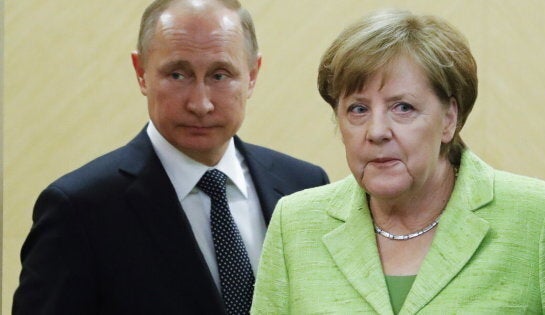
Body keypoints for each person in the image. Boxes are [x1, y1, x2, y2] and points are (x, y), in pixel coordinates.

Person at [251, 9, 545, 314]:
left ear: (449, 118)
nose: (376, 131)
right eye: (358, 109)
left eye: (402, 107)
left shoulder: (538, 218)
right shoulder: (296, 224)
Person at [12, 0, 329, 314]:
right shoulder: (79, 209)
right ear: (141, 73)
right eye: (178, 74)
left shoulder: (304, 187)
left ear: (252, 75)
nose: (200, 103)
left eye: (220, 75)